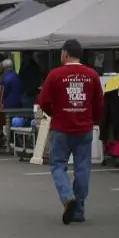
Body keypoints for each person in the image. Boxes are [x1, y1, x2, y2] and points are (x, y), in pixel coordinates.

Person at [38, 39, 104, 225]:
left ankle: (68, 197)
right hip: (84, 127)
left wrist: (55, 114)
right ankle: (79, 209)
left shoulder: (55, 75)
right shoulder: (91, 75)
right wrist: (92, 119)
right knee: (83, 168)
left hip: (61, 127)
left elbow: (43, 101)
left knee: (58, 165)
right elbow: (99, 103)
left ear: (65, 54)